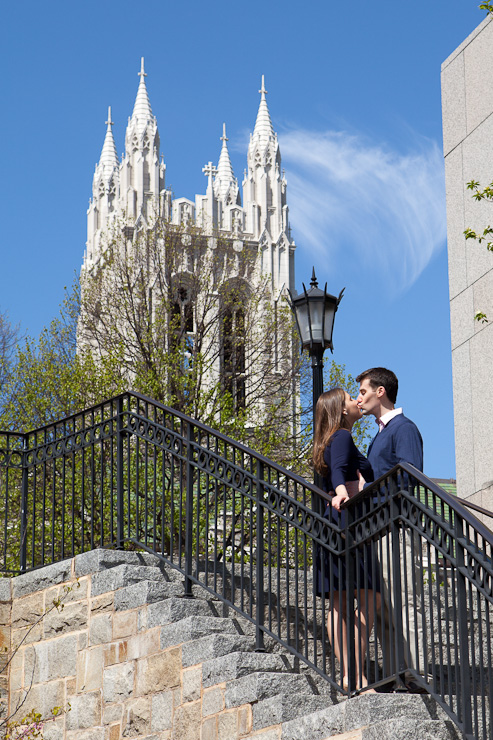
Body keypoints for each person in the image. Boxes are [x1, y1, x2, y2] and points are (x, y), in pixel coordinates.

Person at [355, 367, 425, 691]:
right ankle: (398, 673)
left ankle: (416, 673)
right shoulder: (379, 435)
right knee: (382, 606)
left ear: (380, 392)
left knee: (405, 600)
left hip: (396, 529)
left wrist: (372, 491)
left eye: (363, 392)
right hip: (377, 529)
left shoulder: (403, 428)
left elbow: (409, 477)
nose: (360, 399)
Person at [313, 388, 380, 692]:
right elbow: (339, 469)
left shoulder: (328, 439)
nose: (356, 400)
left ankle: (349, 673)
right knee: (366, 597)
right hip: (347, 520)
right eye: (350, 397)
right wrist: (342, 490)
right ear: (341, 409)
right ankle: (356, 673)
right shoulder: (341, 436)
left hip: (333, 522)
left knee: (341, 602)